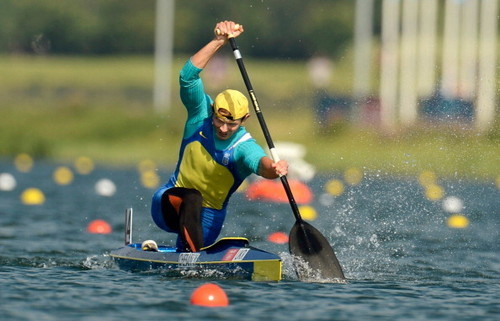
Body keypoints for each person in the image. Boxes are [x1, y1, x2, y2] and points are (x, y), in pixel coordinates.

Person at [151, 21, 289, 252]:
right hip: (169, 203)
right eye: (219, 120)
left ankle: (187, 256)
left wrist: (274, 170)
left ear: (244, 120)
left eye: (231, 124)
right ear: (213, 110)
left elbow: (263, 165)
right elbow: (187, 76)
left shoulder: (244, 147)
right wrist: (219, 42)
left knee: (191, 237)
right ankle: (192, 259)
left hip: (209, 218)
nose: (223, 128)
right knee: (192, 198)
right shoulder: (200, 114)